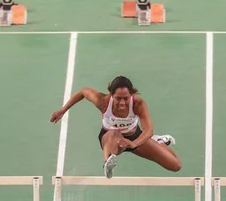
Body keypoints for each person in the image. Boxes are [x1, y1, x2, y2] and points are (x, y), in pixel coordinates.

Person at [50, 75, 181, 178]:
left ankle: (158, 142)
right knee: (114, 133)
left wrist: (133, 143)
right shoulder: (103, 101)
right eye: (118, 98)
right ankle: (107, 164)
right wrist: (62, 110)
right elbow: (83, 92)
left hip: (133, 138)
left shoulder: (138, 103)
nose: (122, 103)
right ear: (111, 95)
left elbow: (149, 130)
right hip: (110, 139)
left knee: (175, 165)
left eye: (126, 98)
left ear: (131, 95)